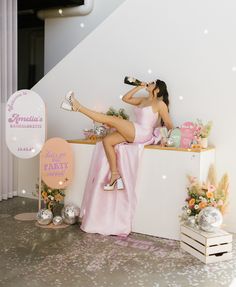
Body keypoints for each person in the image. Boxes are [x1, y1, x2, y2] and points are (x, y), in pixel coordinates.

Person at [61, 79, 173, 191]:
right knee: (107, 141)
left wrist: (171, 139)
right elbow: (125, 98)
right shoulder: (143, 100)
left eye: (153, 83)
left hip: (143, 132)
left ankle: (78, 107)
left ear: (157, 90)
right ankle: (115, 175)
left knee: (111, 119)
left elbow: (168, 123)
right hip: (134, 129)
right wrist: (139, 87)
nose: (149, 83)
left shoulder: (160, 104)